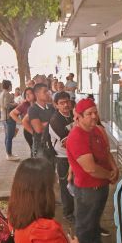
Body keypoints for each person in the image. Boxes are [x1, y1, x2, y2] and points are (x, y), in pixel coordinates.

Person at [66, 98, 119, 243]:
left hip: (100, 186)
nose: (94, 116)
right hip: (88, 189)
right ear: (79, 117)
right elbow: (90, 168)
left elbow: (106, 152)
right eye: (89, 114)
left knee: (95, 219)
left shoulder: (96, 130)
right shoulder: (76, 137)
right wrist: (110, 175)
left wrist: (114, 167)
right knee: (85, 224)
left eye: (95, 112)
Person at [48, 91, 75, 222]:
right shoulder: (55, 120)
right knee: (66, 186)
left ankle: (76, 210)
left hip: (75, 156)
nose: (65, 105)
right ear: (56, 105)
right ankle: (68, 213)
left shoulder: (73, 115)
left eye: (67, 102)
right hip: (63, 158)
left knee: (76, 184)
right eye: (61, 103)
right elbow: (67, 143)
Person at [28, 83, 56, 160]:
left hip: (52, 143)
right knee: (41, 168)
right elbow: (38, 129)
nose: (48, 93)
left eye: (48, 91)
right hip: (40, 144)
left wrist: (45, 123)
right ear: (37, 94)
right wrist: (53, 122)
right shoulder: (33, 109)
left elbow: (59, 121)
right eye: (45, 91)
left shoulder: (51, 107)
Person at [0, 80, 19, 161]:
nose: (11, 86)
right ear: (8, 86)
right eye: (11, 85)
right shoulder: (7, 94)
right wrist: (16, 104)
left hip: (4, 117)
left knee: (7, 136)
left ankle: (8, 153)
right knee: (9, 137)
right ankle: (9, 154)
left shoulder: (2, 93)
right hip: (9, 118)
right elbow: (6, 105)